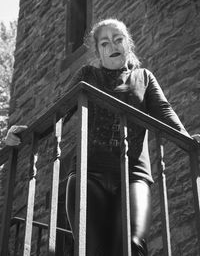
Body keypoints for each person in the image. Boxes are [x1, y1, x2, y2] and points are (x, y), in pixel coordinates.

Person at [5, 18, 200, 256]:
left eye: (118, 39)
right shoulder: (88, 74)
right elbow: (59, 111)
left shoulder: (144, 78)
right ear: (98, 51)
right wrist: (24, 132)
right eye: (105, 43)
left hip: (134, 175)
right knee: (94, 249)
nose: (113, 45)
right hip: (89, 175)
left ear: (128, 43)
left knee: (132, 243)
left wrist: (190, 142)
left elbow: (166, 113)